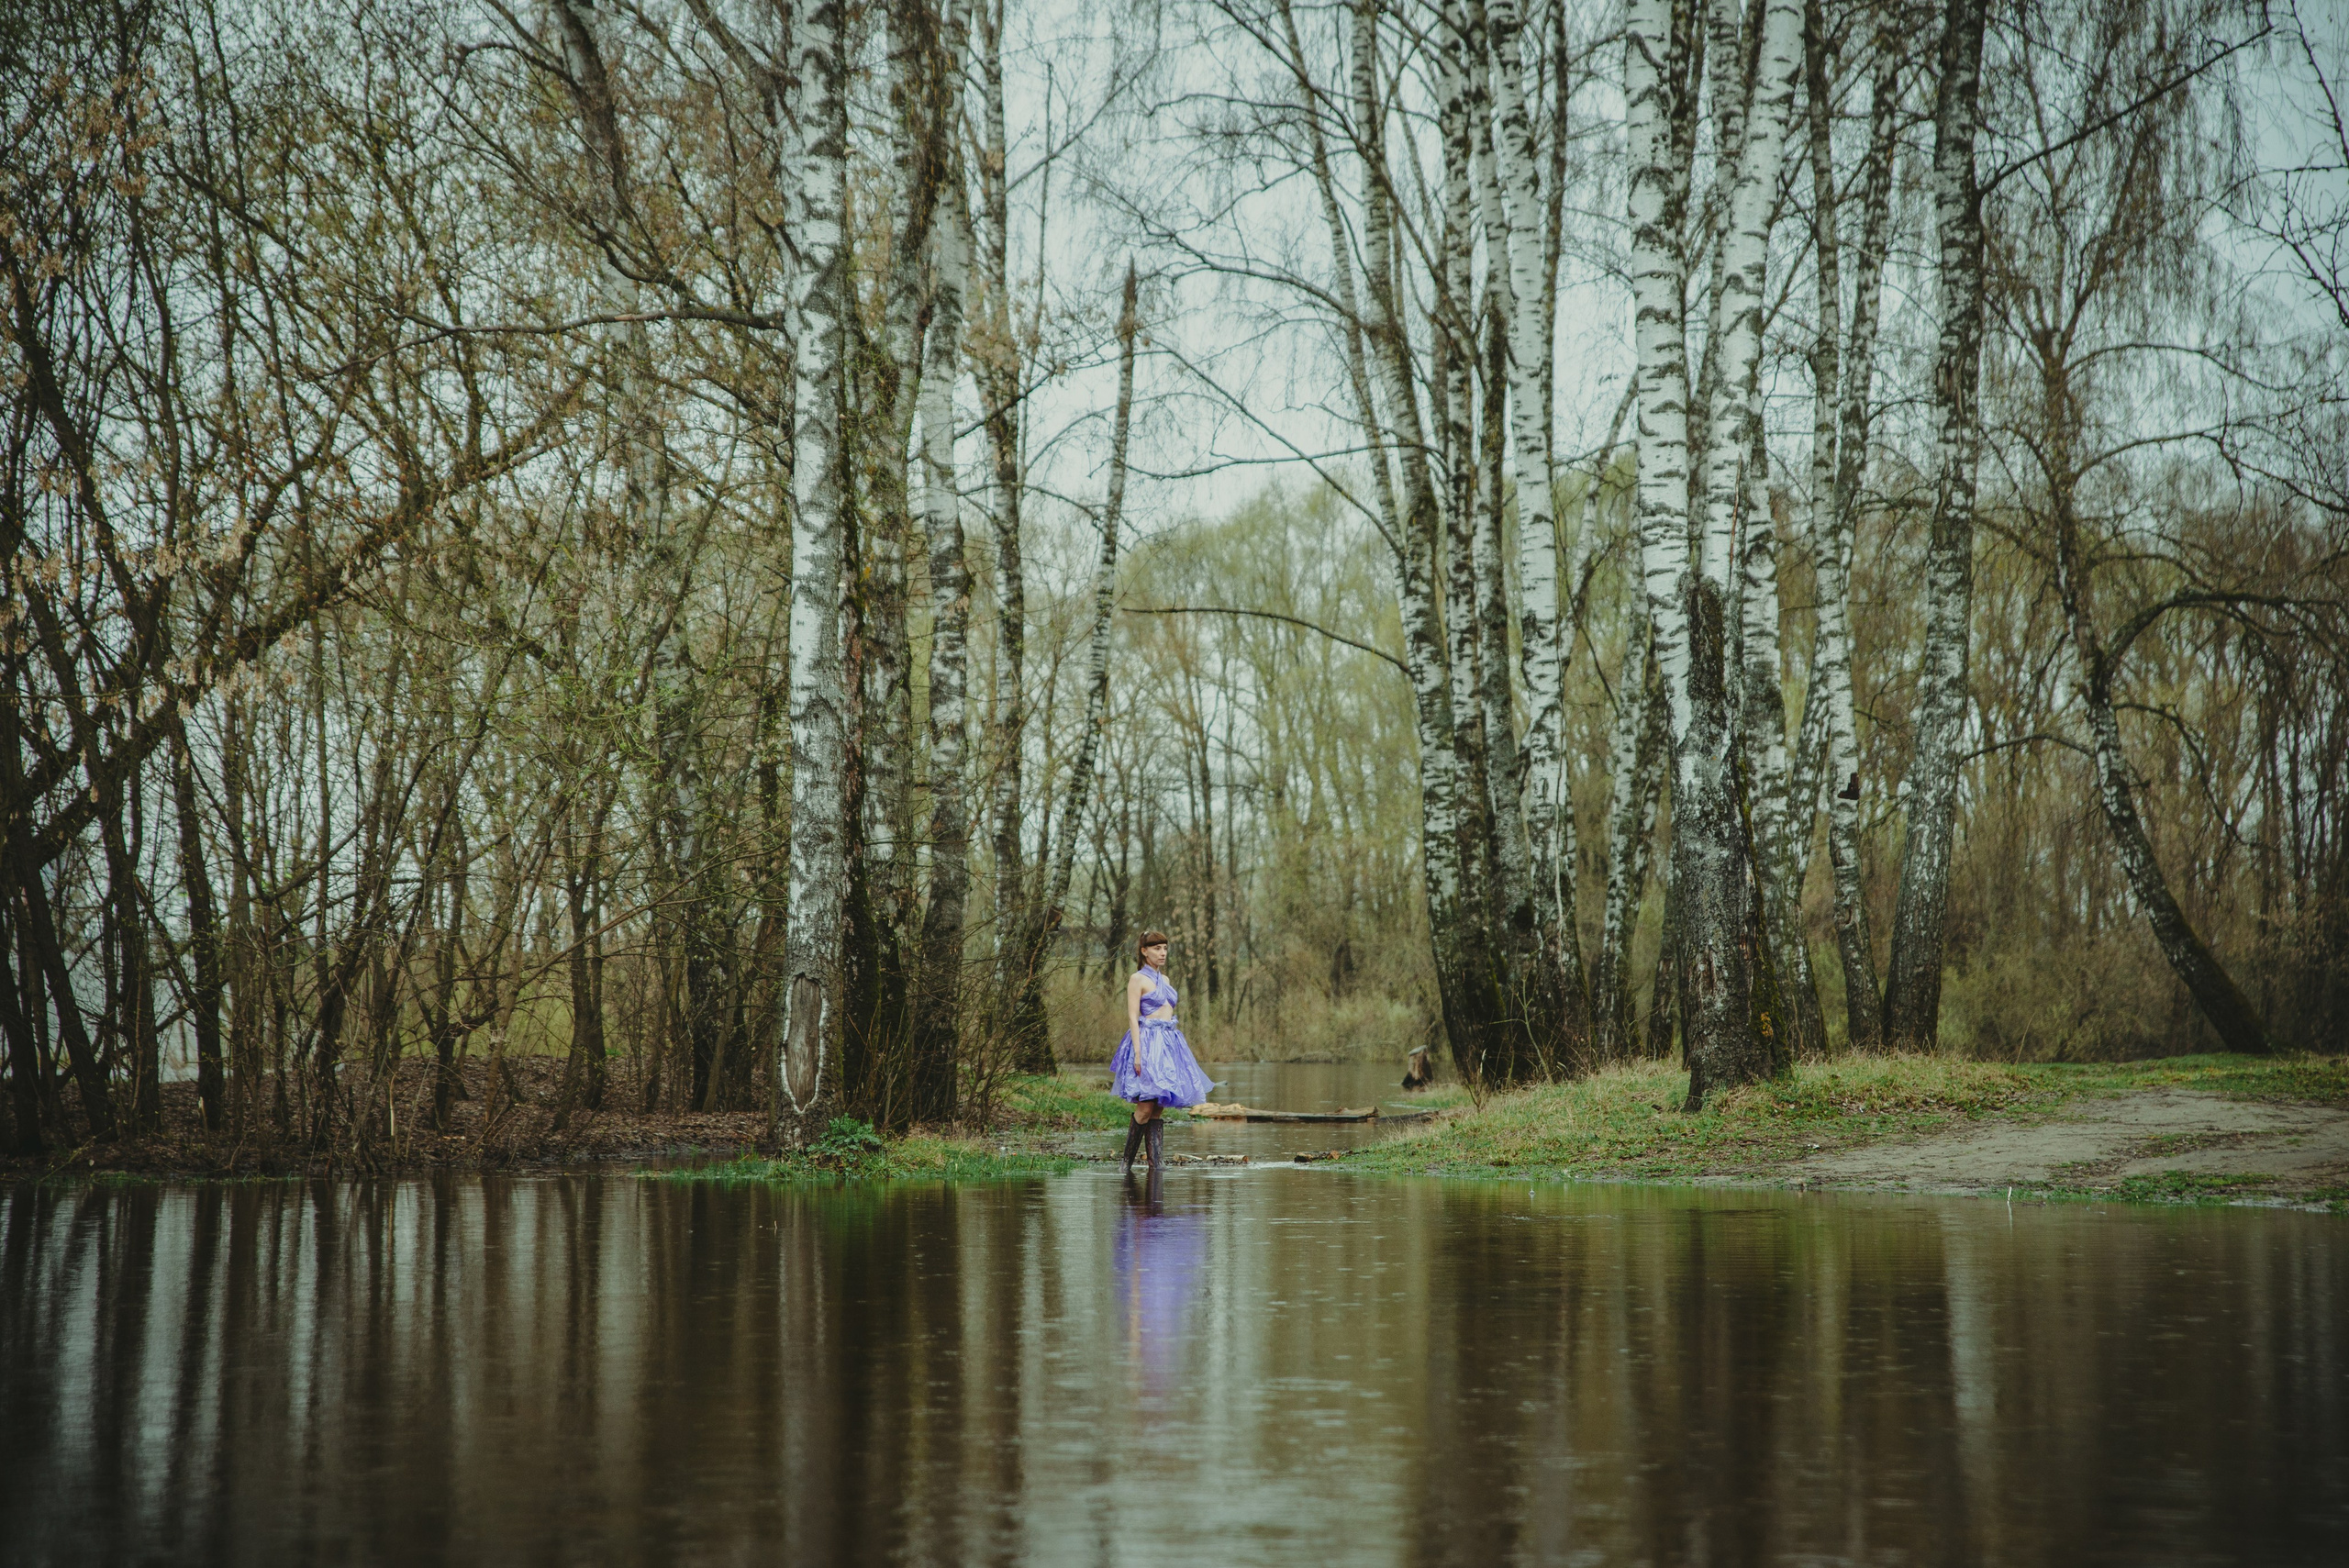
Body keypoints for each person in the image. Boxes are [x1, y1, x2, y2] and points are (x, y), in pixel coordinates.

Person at [1111, 930, 1214, 1173]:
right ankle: (1125, 1163)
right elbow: (1132, 1017)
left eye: (1165, 948)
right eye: (1157, 948)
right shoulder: (1137, 979)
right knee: (1145, 1106)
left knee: (1159, 1106)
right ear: (1144, 951)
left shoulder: (1165, 980)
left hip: (1169, 1044)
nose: (1163, 953)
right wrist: (1138, 1053)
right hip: (1147, 1043)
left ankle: (1156, 1164)